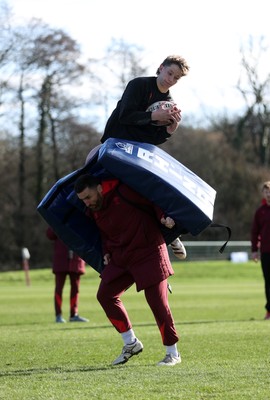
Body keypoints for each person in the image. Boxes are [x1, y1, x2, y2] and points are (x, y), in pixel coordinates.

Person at [74, 174, 181, 366]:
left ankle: (172, 353)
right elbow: (104, 233)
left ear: (100, 188)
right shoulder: (94, 210)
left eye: (88, 197)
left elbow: (153, 200)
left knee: (157, 302)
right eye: (82, 200)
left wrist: (164, 217)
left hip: (149, 251)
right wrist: (106, 251)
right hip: (122, 257)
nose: (87, 203)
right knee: (105, 295)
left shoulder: (124, 190)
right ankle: (130, 343)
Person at [100, 54, 189, 261]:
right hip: (113, 144)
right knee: (97, 188)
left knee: (150, 188)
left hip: (138, 152)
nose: (171, 80)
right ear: (160, 68)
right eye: (169, 73)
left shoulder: (169, 104)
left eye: (176, 78)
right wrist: (152, 116)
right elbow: (125, 116)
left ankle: (168, 232)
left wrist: (170, 129)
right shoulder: (138, 85)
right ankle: (103, 248)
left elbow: (153, 138)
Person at [46, 227, 89, 323]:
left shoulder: (79, 219)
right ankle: (58, 315)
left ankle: (74, 315)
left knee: (75, 289)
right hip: (61, 259)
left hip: (75, 260)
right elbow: (49, 235)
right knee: (59, 288)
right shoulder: (56, 217)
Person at [251, 181, 270, 320]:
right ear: (263, 194)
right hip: (266, 251)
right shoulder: (260, 211)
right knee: (268, 282)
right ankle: (269, 310)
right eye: (266, 191)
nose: (268, 194)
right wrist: (254, 250)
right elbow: (254, 232)